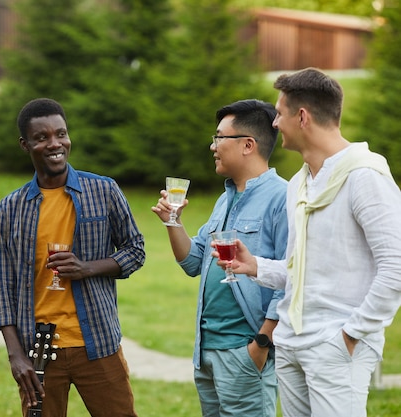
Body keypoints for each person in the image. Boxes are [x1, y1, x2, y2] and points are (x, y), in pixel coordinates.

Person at [218, 68, 401, 417]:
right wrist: (255, 265)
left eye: (280, 113)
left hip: (337, 346)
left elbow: (396, 267)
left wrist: (350, 335)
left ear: (302, 117)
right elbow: (301, 271)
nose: (274, 123)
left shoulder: (366, 177)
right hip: (291, 344)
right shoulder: (298, 185)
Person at [0, 97, 145, 417]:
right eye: (42, 137)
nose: (55, 144)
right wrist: (15, 356)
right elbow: (1, 288)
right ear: (25, 145)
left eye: (61, 134)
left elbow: (135, 250)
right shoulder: (10, 208)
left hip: (98, 343)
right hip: (39, 351)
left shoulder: (103, 191)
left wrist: (87, 268)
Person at [151, 99, 287, 417]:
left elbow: (290, 277)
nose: (212, 146)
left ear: (247, 145)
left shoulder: (281, 198)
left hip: (245, 351)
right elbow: (194, 262)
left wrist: (260, 346)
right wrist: (173, 222)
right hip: (207, 351)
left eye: (219, 137)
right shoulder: (224, 199)